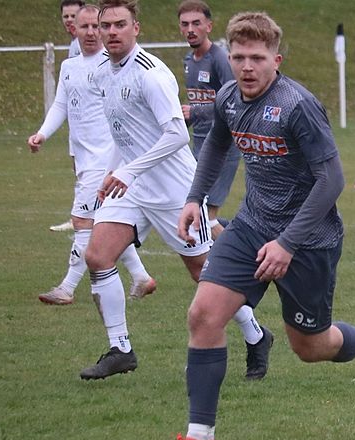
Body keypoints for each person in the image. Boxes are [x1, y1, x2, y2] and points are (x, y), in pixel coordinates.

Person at [145, 12, 355, 440]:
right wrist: (195, 197)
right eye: (239, 56)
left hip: (309, 239)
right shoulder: (228, 97)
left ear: (276, 60)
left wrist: (288, 244)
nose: (247, 67)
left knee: (310, 347)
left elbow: (332, 179)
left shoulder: (297, 106)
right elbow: (216, 144)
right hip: (251, 227)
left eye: (257, 58)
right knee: (203, 315)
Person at [82, 0, 273, 381]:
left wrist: (128, 171)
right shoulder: (103, 73)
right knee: (98, 256)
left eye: (120, 24)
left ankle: (256, 335)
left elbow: (176, 135)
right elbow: (123, 132)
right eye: (106, 26)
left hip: (175, 190)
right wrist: (111, 173)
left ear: (136, 28)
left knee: (205, 274)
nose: (112, 32)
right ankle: (121, 349)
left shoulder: (151, 73)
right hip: (134, 187)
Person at [28, 4, 156, 306]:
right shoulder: (69, 66)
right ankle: (141, 276)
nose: (89, 32)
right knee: (106, 221)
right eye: (82, 26)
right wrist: (42, 133)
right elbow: (61, 105)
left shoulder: (111, 66)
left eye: (95, 26)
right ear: (73, 28)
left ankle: (67, 288)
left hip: (105, 159)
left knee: (82, 221)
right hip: (83, 158)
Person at [177, 0, 241, 239]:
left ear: (209, 26)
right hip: (199, 146)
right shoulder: (189, 61)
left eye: (196, 23)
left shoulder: (220, 59)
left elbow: (234, 101)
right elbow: (199, 103)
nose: (190, 29)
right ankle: (243, 239)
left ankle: (244, 256)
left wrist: (195, 112)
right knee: (196, 213)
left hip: (222, 146)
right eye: (185, 24)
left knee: (207, 217)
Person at [48, 0, 86, 233]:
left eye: (74, 15)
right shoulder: (74, 45)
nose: (69, 20)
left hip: (92, 124)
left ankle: (83, 215)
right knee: (78, 167)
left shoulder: (89, 45)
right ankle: (80, 213)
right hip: (77, 121)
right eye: (66, 16)